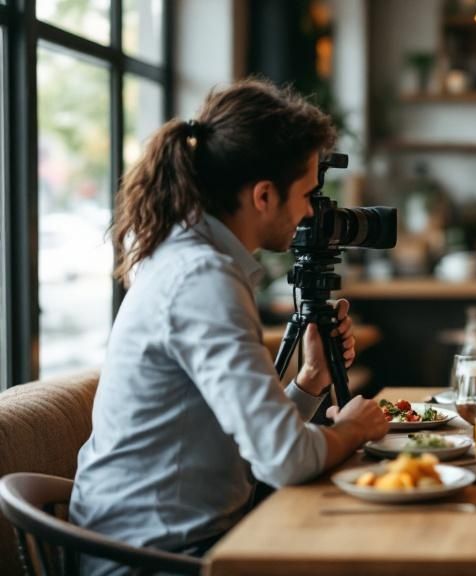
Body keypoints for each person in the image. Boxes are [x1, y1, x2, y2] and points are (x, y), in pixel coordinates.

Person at [71, 79, 388, 573]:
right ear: (263, 195)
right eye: (307, 194)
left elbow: (252, 444)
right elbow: (284, 460)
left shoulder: (185, 258)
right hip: (154, 559)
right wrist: (350, 430)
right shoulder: (204, 279)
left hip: (177, 540)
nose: (312, 212)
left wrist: (309, 383)